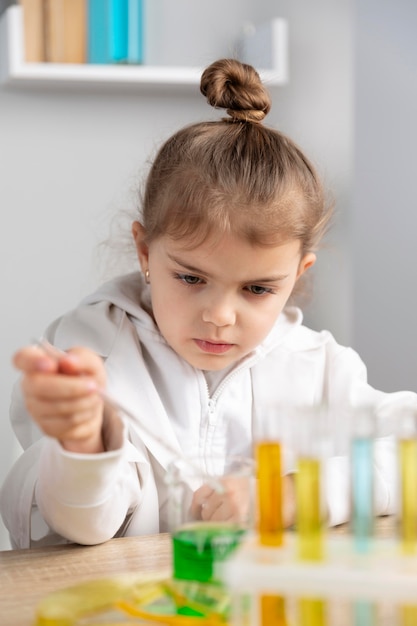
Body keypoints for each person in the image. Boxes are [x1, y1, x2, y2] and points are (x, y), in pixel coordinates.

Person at [0, 58, 414, 550]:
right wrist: (85, 443)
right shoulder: (92, 353)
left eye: (257, 289)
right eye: (192, 277)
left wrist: (291, 494)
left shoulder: (321, 368)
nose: (220, 315)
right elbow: (83, 527)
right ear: (145, 252)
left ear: (298, 274)